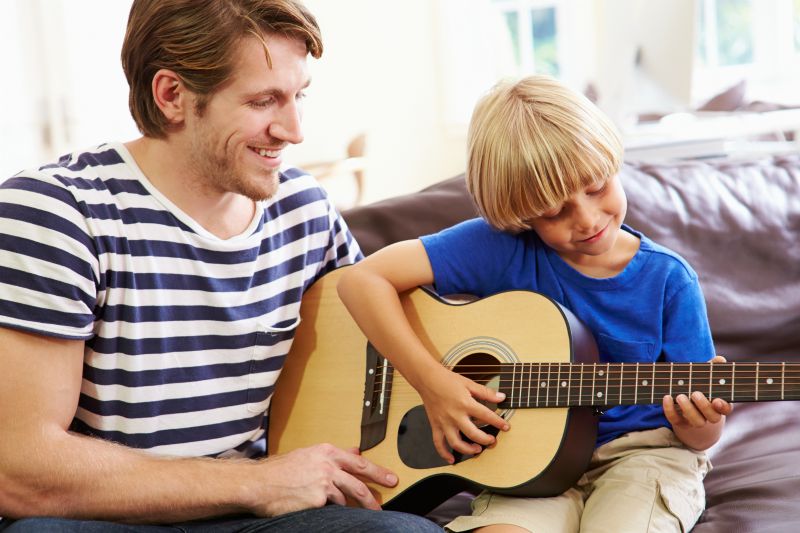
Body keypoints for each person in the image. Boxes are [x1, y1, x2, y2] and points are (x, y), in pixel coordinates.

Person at [0, 1, 442, 532]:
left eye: (299, 95)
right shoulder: (55, 213)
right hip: (106, 517)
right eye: (264, 100)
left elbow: (381, 343)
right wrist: (262, 483)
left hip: (253, 516)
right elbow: (19, 469)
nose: (295, 130)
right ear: (173, 96)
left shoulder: (303, 208)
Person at [337, 75, 732, 533]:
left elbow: (704, 435)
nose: (586, 219)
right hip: (525, 467)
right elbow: (362, 281)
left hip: (643, 457)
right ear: (520, 212)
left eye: (597, 186)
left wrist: (699, 423)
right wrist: (433, 383)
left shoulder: (669, 280)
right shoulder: (498, 247)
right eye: (552, 211)